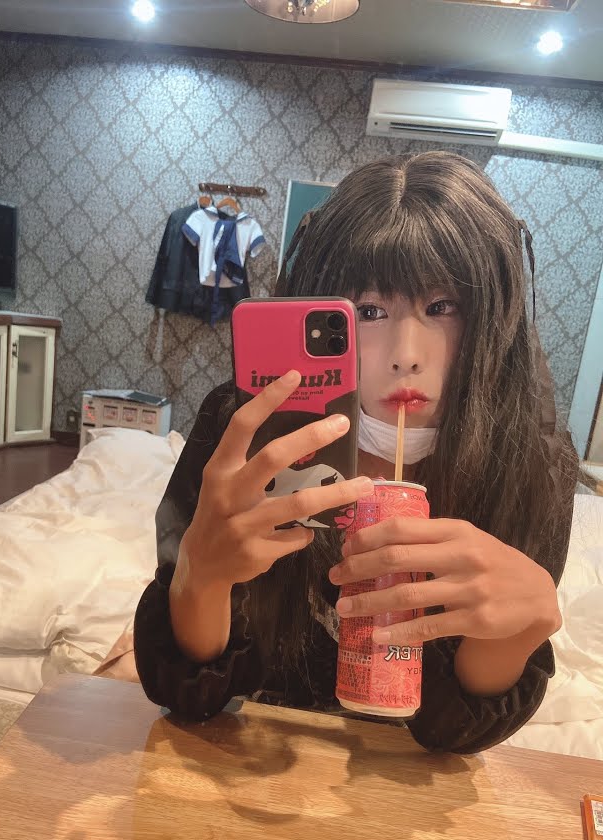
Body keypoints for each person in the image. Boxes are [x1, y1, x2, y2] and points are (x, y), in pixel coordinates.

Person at [133, 151, 578, 753]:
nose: (406, 355)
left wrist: (517, 633)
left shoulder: (530, 463)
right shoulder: (245, 428)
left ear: (492, 318)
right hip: (247, 757)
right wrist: (200, 577)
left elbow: (450, 739)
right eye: (370, 311)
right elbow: (190, 698)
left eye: (441, 307)